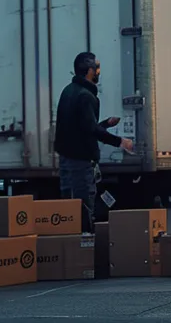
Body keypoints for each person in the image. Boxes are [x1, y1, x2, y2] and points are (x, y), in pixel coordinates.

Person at [54, 52, 134, 233]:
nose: (99, 71)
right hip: (81, 163)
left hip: (67, 160)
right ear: (90, 71)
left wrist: (105, 124)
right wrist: (121, 142)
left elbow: (80, 128)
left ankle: (70, 244)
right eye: (97, 67)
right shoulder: (86, 96)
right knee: (84, 208)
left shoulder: (68, 91)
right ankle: (84, 250)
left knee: (68, 209)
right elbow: (91, 130)